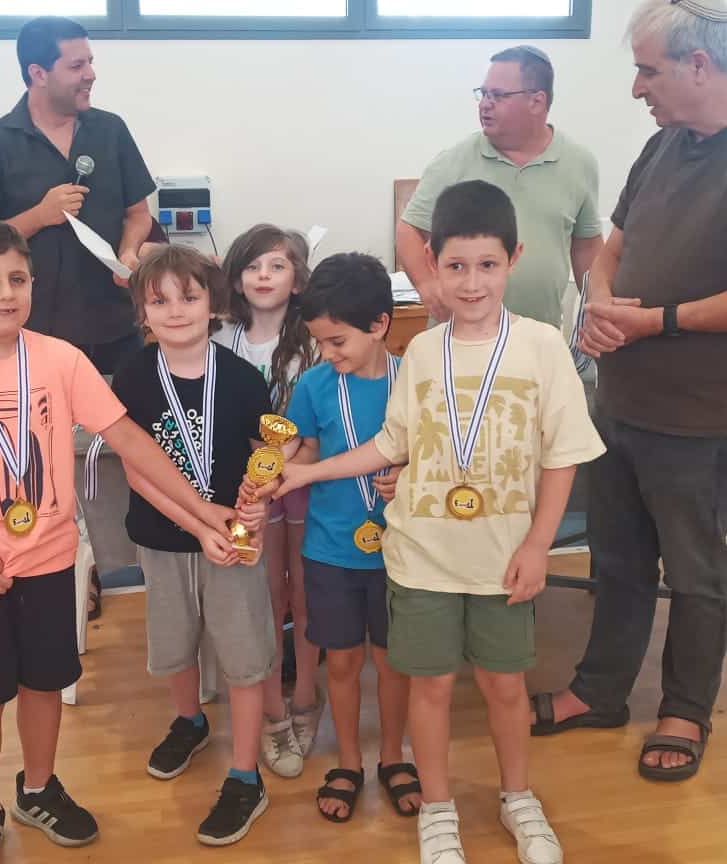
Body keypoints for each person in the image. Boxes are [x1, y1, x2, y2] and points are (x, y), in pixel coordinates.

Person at [529, 0, 727, 783]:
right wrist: (600, 303)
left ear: (700, 65)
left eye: (648, 70)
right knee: (618, 560)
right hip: (623, 402)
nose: (637, 88)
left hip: (704, 415)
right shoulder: (665, 144)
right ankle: (601, 690)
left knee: (695, 573)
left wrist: (651, 322)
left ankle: (685, 710)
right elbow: (610, 251)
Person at [0, 219, 238, 864]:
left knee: (43, 686)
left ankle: (38, 788)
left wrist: (200, 507)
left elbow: (129, 440)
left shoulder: (60, 360)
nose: (5, 294)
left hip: (47, 560)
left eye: (18, 279)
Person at [273, 181, 604, 864]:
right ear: (431, 263)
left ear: (514, 258)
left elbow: (563, 457)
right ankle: (438, 806)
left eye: (487, 264)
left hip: (502, 557)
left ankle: (518, 798)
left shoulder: (543, 347)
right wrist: (307, 472)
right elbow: (389, 445)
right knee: (429, 685)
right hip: (420, 556)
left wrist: (540, 545)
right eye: (455, 265)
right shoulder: (423, 352)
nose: (471, 282)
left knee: (505, 686)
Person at [108, 245, 279, 846]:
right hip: (162, 538)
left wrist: (258, 501)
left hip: (233, 541)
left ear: (214, 305)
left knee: (244, 655)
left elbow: (265, 459)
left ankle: (246, 775)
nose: (176, 311)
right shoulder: (132, 376)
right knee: (174, 642)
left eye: (189, 297)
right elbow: (136, 473)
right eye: (159, 301)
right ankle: (190, 721)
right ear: (142, 312)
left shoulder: (241, 378)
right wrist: (198, 525)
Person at [275, 252, 420, 822]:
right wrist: (274, 466)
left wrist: (408, 473)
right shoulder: (313, 386)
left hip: (402, 550)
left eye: (337, 341)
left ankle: (392, 756)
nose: (328, 353)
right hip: (330, 549)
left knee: (392, 661)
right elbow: (304, 447)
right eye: (320, 343)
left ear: (380, 323)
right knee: (340, 661)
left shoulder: (414, 380)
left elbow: (435, 453)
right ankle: (348, 761)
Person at [0, 16, 156, 375]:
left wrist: (128, 252)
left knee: (123, 410)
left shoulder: (111, 131)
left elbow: (139, 214)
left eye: (90, 63)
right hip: (31, 331)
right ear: (38, 73)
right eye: (76, 66)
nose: (91, 75)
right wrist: (38, 216)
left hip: (114, 326)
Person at [212, 224, 323, 779]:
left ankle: (306, 696)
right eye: (253, 266)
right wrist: (260, 474)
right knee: (264, 596)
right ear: (236, 279)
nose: (263, 276)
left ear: (297, 279)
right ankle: (273, 710)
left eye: (276, 266)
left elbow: (319, 416)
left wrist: (288, 464)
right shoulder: (221, 340)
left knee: (304, 592)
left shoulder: (314, 342)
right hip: (249, 491)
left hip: (302, 480)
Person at [397, 45, 603, 329]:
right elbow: (408, 229)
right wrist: (427, 285)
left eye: (498, 95)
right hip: (459, 336)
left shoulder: (579, 163)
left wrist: (598, 309)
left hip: (537, 337)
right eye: (483, 94)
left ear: (537, 101)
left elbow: (586, 247)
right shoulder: (454, 162)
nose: (485, 104)